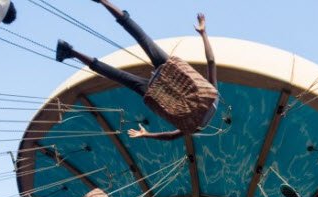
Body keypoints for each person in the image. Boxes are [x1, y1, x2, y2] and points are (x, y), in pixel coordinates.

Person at [55, 3, 217, 140]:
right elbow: (171, 136)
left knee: (143, 39)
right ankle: (70, 51)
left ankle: (104, 2)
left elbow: (211, 62)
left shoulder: (213, 97)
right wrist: (147, 134)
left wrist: (203, 33)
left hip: (174, 70)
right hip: (158, 94)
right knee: (120, 76)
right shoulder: (193, 127)